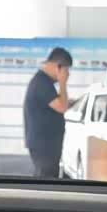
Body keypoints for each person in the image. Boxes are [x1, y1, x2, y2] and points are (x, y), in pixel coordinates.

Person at [23, 47, 72, 178]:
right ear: (58, 67)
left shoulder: (44, 82)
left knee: (45, 178)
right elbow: (62, 106)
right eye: (66, 70)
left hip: (46, 144)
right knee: (46, 180)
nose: (68, 74)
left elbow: (59, 104)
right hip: (44, 145)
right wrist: (63, 83)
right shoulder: (42, 83)